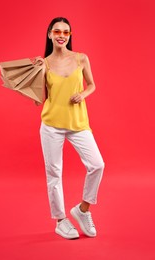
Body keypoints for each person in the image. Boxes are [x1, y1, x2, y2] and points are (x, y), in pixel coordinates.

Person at [33, 17, 105, 240]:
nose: (61, 35)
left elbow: (92, 85)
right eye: (57, 31)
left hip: (78, 123)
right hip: (51, 125)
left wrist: (82, 94)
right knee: (54, 173)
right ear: (50, 35)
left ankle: (82, 210)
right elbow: (40, 98)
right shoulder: (43, 63)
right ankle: (61, 221)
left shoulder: (81, 58)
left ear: (70, 35)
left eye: (65, 32)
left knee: (97, 165)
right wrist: (34, 74)